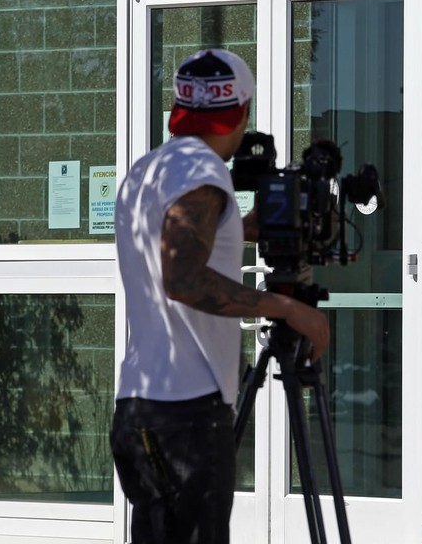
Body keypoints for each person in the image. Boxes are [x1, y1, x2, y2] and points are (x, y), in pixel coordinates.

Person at [110, 48, 330, 544]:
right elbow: (183, 280)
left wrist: (240, 229)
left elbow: (178, 250)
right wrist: (288, 307)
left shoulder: (147, 171)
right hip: (185, 415)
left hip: (140, 406)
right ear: (242, 112)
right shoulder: (203, 173)